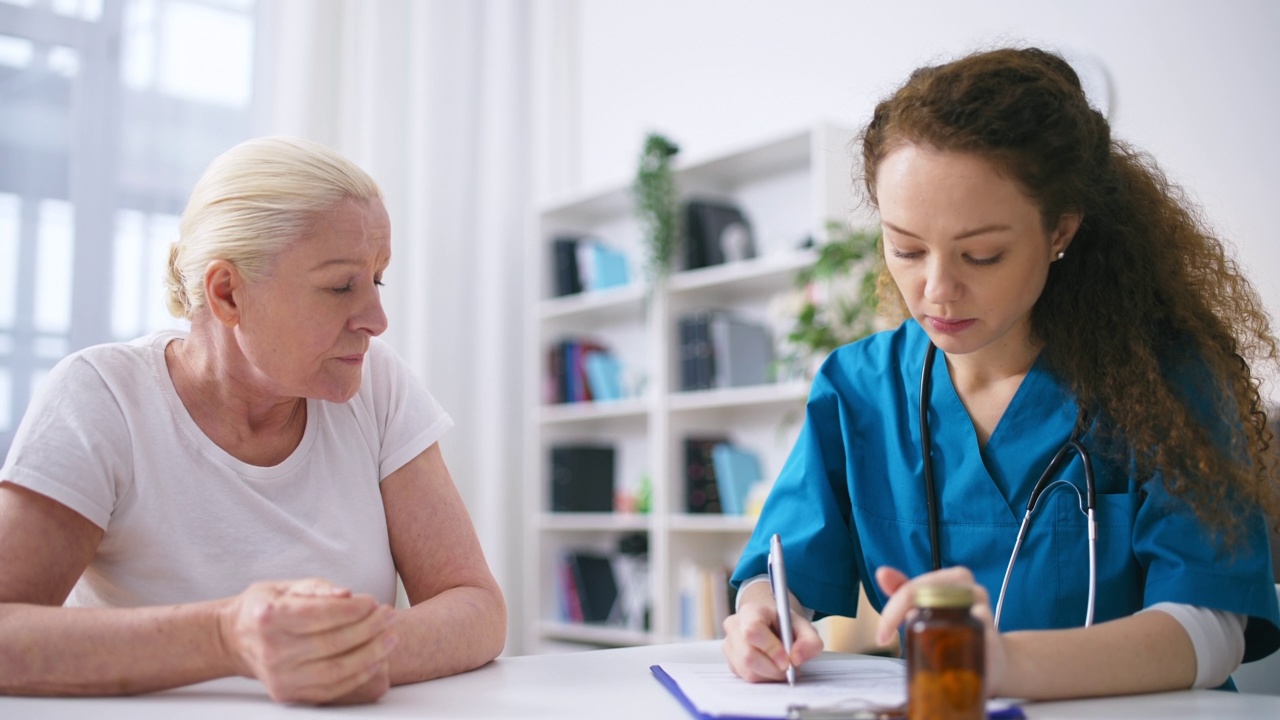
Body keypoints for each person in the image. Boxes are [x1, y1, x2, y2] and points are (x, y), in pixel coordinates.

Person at [723, 47, 1280, 699]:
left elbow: (1212, 628)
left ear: (1059, 231)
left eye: (981, 254)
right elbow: (779, 570)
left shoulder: (1164, 377)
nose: (936, 289)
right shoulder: (860, 388)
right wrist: (766, 613)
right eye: (904, 247)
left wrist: (999, 665)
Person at [0, 136, 506, 704]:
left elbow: (475, 605)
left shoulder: (377, 384)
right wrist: (228, 638)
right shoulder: (103, 398)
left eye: (377, 279)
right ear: (227, 293)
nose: (376, 319)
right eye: (341, 285)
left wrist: (343, 652)